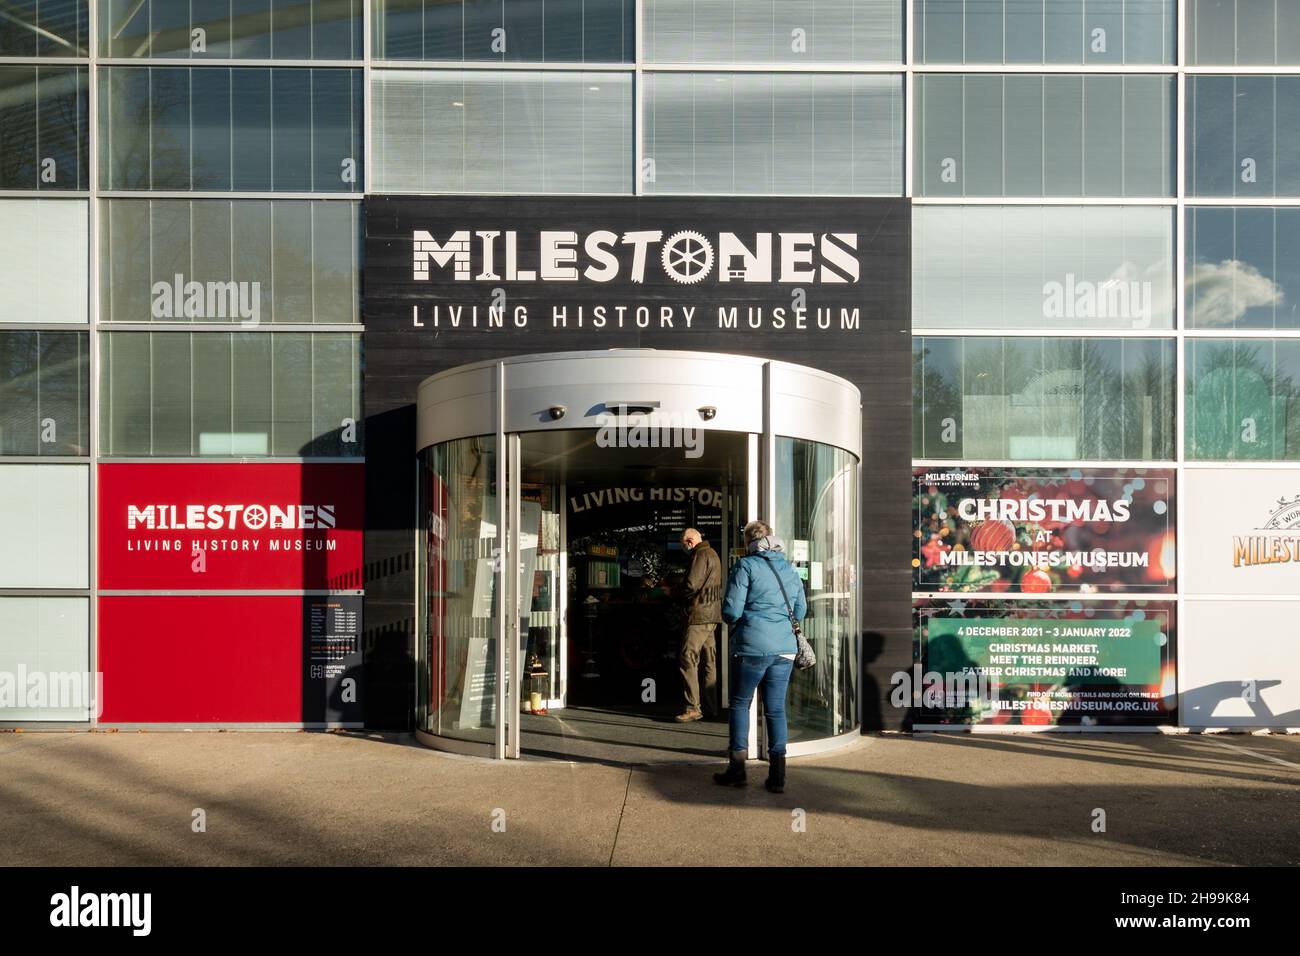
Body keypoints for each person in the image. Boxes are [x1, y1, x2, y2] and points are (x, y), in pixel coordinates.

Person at [713, 520, 805, 793]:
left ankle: (737, 770)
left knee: (741, 704)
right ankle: (777, 776)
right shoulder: (789, 568)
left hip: (752, 647)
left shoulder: (745, 566)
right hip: (785, 649)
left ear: (748, 542)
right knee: (775, 709)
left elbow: (731, 611)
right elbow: (800, 610)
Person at [673, 527, 722, 723]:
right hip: (712, 616)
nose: (684, 548)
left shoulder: (700, 555)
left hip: (699, 616)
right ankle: (711, 707)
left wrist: (674, 592)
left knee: (688, 658)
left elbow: (691, 585)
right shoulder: (714, 554)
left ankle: (692, 707)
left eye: (683, 544)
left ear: (690, 541)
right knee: (709, 662)